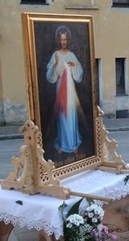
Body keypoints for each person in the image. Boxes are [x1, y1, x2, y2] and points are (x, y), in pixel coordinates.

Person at [46, 25, 84, 154]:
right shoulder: (55, 55)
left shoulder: (71, 55)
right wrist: (56, 64)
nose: (63, 42)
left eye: (65, 39)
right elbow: (50, 75)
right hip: (60, 88)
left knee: (71, 115)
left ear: (68, 40)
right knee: (62, 115)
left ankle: (73, 144)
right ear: (59, 40)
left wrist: (73, 67)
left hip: (70, 89)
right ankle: (63, 144)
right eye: (61, 39)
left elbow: (79, 71)